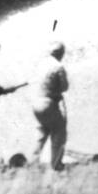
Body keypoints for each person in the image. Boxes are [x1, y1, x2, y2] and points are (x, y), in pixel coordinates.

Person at [32, 42, 69, 170]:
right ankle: (56, 164)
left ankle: (32, 161)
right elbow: (65, 87)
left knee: (42, 132)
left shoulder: (42, 64)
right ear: (61, 54)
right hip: (49, 104)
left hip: (36, 103)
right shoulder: (58, 66)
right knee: (59, 132)